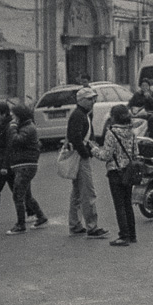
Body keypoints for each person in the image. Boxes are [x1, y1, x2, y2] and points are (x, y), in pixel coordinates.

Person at [65, 87, 108, 239]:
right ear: (82, 100)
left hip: (78, 155)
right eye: (90, 99)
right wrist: (86, 153)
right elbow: (75, 137)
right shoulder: (79, 115)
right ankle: (92, 226)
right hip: (80, 157)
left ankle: (75, 224)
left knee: (77, 192)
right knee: (88, 192)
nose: (93, 102)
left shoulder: (81, 114)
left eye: (93, 99)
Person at [93, 104, 139, 247]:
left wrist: (94, 149)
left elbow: (106, 155)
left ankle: (123, 236)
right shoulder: (131, 132)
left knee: (119, 205)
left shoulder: (111, 133)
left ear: (114, 117)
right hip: (129, 172)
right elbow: (136, 153)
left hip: (115, 172)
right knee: (128, 204)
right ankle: (132, 235)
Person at [5, 104, 48, 235]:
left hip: (25, 165)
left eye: (14, 115)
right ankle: (41, 217)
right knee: (27, 195)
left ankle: (20, 224)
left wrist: (12, 128)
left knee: (18, 195)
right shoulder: (26, 127)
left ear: (19, 116)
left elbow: (16, 141)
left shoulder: (28, 128)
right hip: (24, 165)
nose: (12, 118)